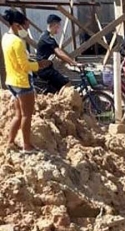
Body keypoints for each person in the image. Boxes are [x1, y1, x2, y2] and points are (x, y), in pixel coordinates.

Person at [2, 9, 52, 154]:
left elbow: (17, 60)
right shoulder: (17, 42)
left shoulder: (6, 37)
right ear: (17, 25)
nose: (27, 29)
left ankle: (10, 142)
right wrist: (40, 64)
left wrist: (29, 58)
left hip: (11, 80)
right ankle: (27, 145)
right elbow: (24, 66)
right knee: (26, 115)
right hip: (22, 81)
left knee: (18, 115)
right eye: (25, 26)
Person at [36, 14, 80, 93]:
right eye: (58, 25)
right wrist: (74, 63)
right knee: (66, 84)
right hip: (45, 70)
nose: (59, 28)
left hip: (46, 69)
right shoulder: (47, 38)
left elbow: (55, 55)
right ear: (53, 24)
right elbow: (59, 52)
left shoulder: (46, 36)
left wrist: (67, 64)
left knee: (56, 89)